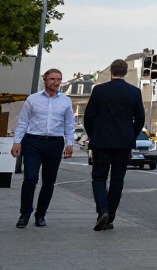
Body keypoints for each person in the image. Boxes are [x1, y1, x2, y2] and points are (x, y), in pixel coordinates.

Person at [83, 59, 146, 230]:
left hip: (101, 141)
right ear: (125, 72)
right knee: (118, 179)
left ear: (111, 71)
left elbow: (89, 116)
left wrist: (92, 134)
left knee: (99, 177)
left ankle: (102, 209)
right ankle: (110, 216)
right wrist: (131, 134)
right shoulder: (134, 92)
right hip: (123, 143)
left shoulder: (99, 91)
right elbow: (140, 118)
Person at [11, 69, 75, 228]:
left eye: (59, 79)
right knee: (30, 178)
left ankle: (41, 214)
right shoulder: (32, 99)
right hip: (33, 142)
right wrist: (17, 142)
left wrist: (69, 143)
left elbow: (69, 124)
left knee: (49, 181)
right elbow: (23, 122)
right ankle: (25, 213)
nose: (56, 82)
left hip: (55, 143)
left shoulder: (66, 101)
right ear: (45, 80)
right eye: (52, 79)